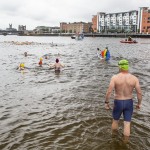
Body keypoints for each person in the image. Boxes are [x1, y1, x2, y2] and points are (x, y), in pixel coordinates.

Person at [105, 59, 142, 143]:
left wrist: (106, 103)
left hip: (118, 102)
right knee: (127, 123)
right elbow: (139, 92)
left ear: (120, 67)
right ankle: (125, 143)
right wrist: (139, 104)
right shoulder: (134, 78)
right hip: (129, 102)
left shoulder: (115, 77)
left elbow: (109, 91)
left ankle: (114, 138)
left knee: (115, 120)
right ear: (127, 67)